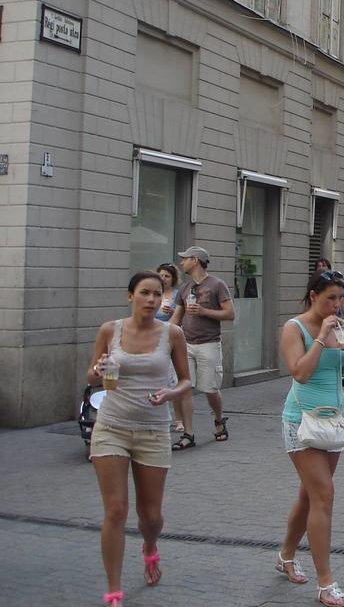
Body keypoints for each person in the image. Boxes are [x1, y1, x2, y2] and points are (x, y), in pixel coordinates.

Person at [87, 271, 191, 607]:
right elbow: (92, 375)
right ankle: (114, 588)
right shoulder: (109, 330)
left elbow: (186, 382)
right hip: (112, 427)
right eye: (144, 293)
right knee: (115, 510)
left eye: (156, 294)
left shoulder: (172, 333)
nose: (150, 299)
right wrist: (99, 370)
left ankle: (149, 547)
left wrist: (170, 392)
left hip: (153, 431)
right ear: (129, 296)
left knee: (151, 517)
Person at [277, 269, 344, 607]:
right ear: (313, 296)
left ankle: (286, 554)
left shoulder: (341, 328)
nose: (337, 305)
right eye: (330, 298)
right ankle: (325, 582)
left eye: (340, 298)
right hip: (301, 420)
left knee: (309, 495)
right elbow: (299, 371)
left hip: (332, 422)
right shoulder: (294, 327)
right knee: (324, 495)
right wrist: (319, 339)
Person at [170, 245, 235, 450]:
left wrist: (204, 311)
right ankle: (188, 434)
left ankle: (218, 419)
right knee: (185, 389)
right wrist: (159, 332)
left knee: (210, 389)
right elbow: (176, 318)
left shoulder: (217, 285)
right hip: (186, 344)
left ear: (196, 260)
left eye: (185, 258)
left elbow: (230, 314)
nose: (181, 262)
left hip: (209, 344)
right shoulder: (185, 288)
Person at [155, 263, 184, 433]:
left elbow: (180, 317)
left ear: (173, 279)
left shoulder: (176, 295)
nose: (163, 279)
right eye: (161, 275)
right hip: (153, 340)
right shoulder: (153, 293)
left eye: (167, 276)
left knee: (174, 382)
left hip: (170, 340)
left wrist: (172, 309)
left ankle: (179, 419)